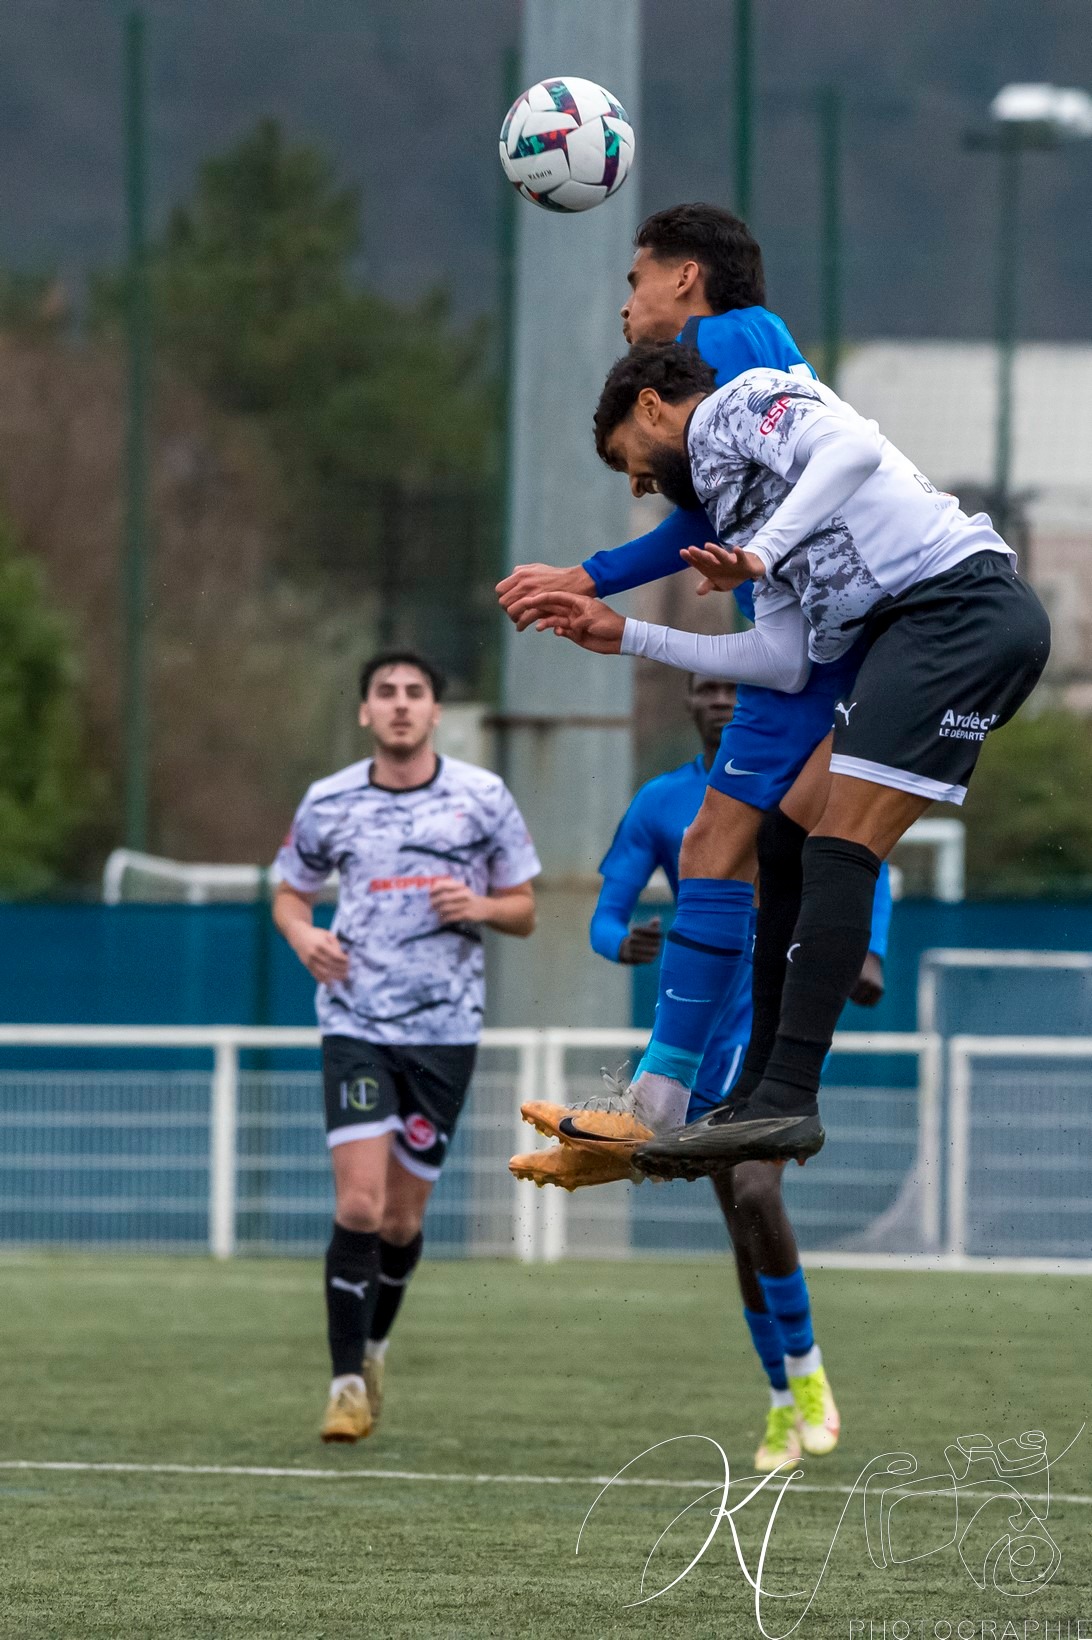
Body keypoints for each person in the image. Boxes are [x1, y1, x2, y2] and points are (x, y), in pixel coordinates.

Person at [530, 342, 1050, 1181]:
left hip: (964, 613)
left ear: (655, 407)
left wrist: (767, 551)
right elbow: (784, 661)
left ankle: (789, 1098)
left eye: (627, 459)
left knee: (839, 840)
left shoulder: (744, 402)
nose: (637, 485)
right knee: (784, 835)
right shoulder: (738, 514)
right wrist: (627, 635)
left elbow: (853, 450)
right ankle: (755, 1097)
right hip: (925, 631)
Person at [498, 203, 869, 1152]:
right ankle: (696, 1100)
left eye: (634, 281)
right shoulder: (735, 355)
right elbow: (710, 517)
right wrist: (591, 581)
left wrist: (588, 574)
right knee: (727, 850)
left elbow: (707, 524)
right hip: (803, 641)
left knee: (726, 848)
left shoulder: (734, 339)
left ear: (685, 278)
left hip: (813, 647)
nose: (627, 307)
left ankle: (706, 1099)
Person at [513, 674, 892, 1471]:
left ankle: (809, 1377)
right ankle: (785, 1398)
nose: (723, 697)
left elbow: (867, 863)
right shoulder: (661, 803)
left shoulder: (801, 779)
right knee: (738, 1220)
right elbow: (605, 913)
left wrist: (869, 951)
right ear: (687, 703)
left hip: (774, 1011)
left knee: (758, 1188)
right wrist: (623, 942)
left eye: (736, 685)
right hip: (700, 1021)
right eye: (708, 686)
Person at [273, 650, 540, 1442]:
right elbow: (290, 891)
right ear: (364, 713)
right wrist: (301, 936)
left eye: (413, 693)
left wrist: (482, 907)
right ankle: (345, 1383)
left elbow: (525, 908)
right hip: (355, 1021)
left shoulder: (480, 798)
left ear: (434, 713)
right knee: (357, 1201)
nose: (398, 705)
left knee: (399, 1220)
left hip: (445, 1031)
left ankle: (377, 1346)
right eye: (384, 693)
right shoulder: (329, 802)